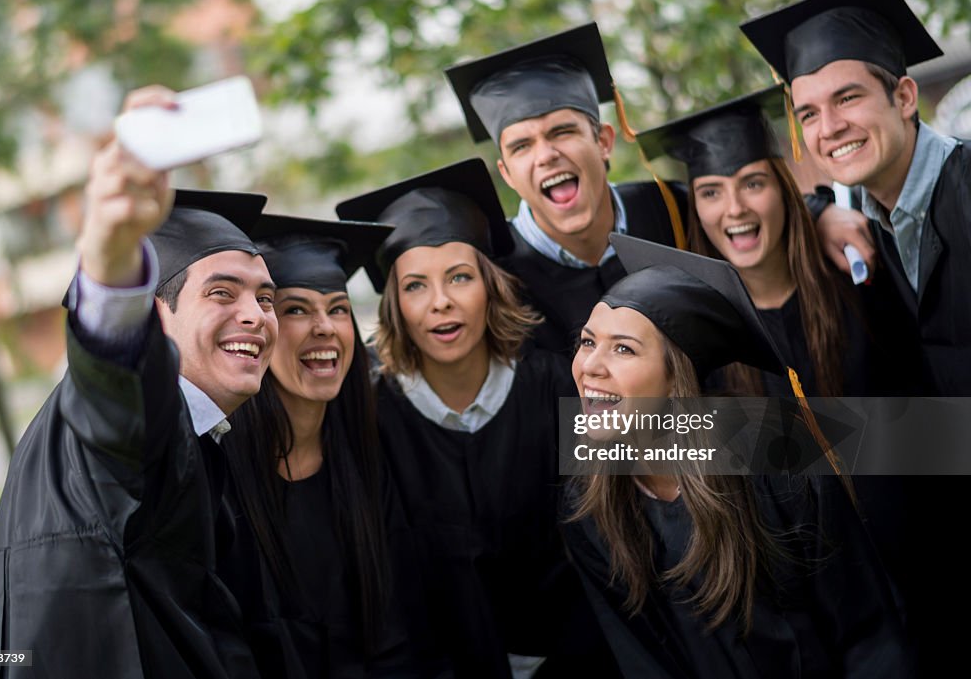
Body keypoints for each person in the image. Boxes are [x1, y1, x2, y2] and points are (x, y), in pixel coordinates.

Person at [0, 89, 276, 679]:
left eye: (265, 297)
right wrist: (110, 251)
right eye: (222, 293)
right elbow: (115, 364)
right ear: (155, 317)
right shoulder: (129, 416)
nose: (256, 315)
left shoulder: (202, 431)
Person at [562, 233, 913, 679]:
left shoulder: (783, 467)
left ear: (676, 380)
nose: (590, 365)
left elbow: (868, 635)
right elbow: (643, 658)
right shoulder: (588, 500)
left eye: (624, 348)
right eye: (588, 341)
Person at [337, 158, 619, 678]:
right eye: (415, 285)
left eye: (460, 277)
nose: (440, 303)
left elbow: (684, 444)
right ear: (394, 304)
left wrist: (815, 438)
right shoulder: (372, 419)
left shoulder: (557, 386)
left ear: (490, 286)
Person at [741, 0, 971, 396]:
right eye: (808, 113)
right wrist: (817, 212)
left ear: (903, 97)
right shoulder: (872, 217)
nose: (829, 128)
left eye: (848, 98)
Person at [218, 213, 426, 677]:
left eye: (337, 309)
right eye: (295, 309)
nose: (325, 327)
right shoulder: (219, 475)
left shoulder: (375, 449)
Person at [634, 84, 924, 398]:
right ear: (697, 209)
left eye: (753, 184)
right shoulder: (696, 339)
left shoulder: (860, 286)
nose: (735, 209)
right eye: (711, 192)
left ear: (784, 191)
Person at [445, 22, 688, 354]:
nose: (546, 155)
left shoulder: (675, 212)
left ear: (603, 141)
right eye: (521, 147)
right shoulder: (492, 271)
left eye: (562, 132)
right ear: (507, 175)